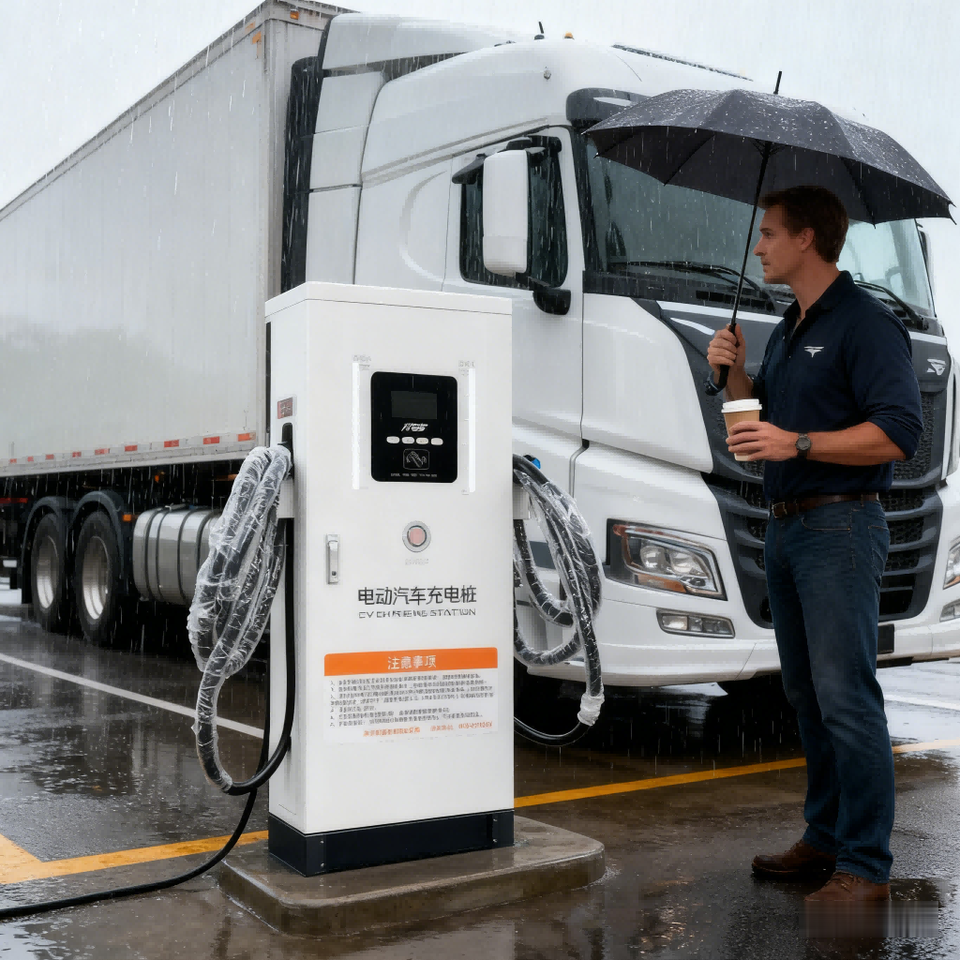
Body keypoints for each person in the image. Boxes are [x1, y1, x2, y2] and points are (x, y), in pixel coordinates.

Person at [706, 185, 923, 903]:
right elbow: (753, 426)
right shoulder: (790, 327)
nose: (759, 247)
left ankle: (865, 865)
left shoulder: (867, 324)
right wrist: (733, 371)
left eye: (769, 234)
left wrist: (797, 442)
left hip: (840, 527)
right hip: (786, 525)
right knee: (805, 694)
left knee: (846, 697)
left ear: (806, 239)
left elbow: (899, 432)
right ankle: (824, 836)